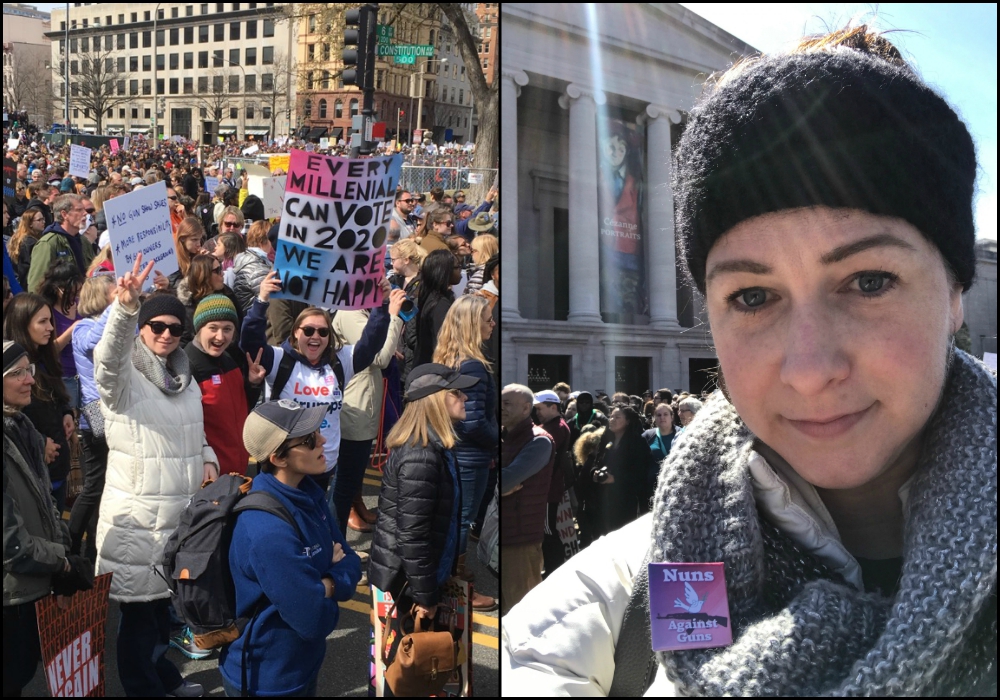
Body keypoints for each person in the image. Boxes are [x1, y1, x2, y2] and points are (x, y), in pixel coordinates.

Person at [502, 26, 997, 696]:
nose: (808, 368)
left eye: (870, 280)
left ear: (956, 290)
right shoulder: (597, 616)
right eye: (753, 295)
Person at [93, 255, 218, 697]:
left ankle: (163, 681)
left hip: (176, 522)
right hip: (139, 525)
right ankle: (146, 691)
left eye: (174, 328)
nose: (165, 334)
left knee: (160, 618)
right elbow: (106, 362)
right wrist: (126, 309)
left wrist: (207, 457)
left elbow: (197, 433)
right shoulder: (125, 379)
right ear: (143, 330)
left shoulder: (183, 377)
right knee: (139, 625)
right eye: (156, 326)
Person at [219, 400, 362, 697]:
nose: (322, 439)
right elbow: (313, 620)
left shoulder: (309, 493)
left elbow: (349, 560)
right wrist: (331, 581)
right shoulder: (266, 531)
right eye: (309, 440)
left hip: (301, 662)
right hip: (268, 678)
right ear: (278, 458)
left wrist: (324, 584)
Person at [241, 270, 404, 505]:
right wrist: (262, 300)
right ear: (296, 334)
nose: (315, 336)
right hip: (282, 468)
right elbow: (249, 342)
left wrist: (381, 303)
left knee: (313, 522)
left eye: (322, 331)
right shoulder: (279, 360)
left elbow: (372, 341)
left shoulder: (341, 362)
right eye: (308, 330)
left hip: (321, 464)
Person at [368, 363, 479, 685]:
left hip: (414, 577)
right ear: (434, 399)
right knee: (408, 667)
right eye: (456, 392)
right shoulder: (422, 456)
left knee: (406, 664)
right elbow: (413, 537)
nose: (465, 397)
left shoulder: (435, 448)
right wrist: (426, 595)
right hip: (407, 582)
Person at [3, 341, 90, 698]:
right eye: (16, 373)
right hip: (12, 593)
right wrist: (63, 565)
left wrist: (63, 555)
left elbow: (44, 503)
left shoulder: (22, 427)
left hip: (31, 586)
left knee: (20, 674)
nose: (28, 380)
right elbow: (11, 544)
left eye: (29, 370)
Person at [432, 296, 500, 611]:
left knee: (455, 519)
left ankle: (454, 573)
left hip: (456, 451)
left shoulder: (450, 357)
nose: (493, 324)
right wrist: (497, 442)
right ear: (474, 324)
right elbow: (473, 422)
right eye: (488, 319)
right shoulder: (471, 364)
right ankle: (456, 586)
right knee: (461, 521)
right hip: (470, 455)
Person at [330, 303, 404, 537]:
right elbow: (379, 357)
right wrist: (393, 317)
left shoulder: (361, 311)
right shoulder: (350, 313)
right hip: (355, 406)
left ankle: (355, 505)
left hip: (364, 403)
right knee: (344, 478)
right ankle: (338, 535)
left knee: (355, 468)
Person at [3, 293, 74, 513]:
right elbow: (12, 417)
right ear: (23, 323)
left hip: (56, 471)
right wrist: (39, 441)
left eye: (50, 321)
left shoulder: (45, 357)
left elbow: (57, 394)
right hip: (34, 473)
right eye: (42, 322)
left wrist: (66, 412)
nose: (51, 328)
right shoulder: (9, 362)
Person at [184, 295, 265, 477]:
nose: (220, 336)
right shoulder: (187, 365)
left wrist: (252, 384)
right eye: (213, 328)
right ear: (199, 328)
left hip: (238, 469)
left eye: (227, 329)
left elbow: (241, 409)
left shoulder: (229, 359)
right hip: (210, 473)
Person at [68, 274, 116, 564]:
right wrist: (117, 306)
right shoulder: (83, 327)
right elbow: (90, 344)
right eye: (115, 293)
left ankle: (94, 550)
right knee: (94, 486)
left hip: (117, 414)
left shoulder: (114, 325)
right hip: (96, 418)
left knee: (109, 486)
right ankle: (72, 547)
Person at [499, 384, 554, 617]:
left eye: (507, 403)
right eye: (500, 402)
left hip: (521, 540)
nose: (501, 408)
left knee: (522, 615)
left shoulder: (540, 441)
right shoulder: (505, 436)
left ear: (526, 409)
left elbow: (506, 480)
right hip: (503, 534)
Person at [532, 390, 574, 578]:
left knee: (549, 532)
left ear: (553, 407)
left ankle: (553, 571)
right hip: (548, 487)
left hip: (549, 489)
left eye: (540, 408)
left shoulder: (557, 427)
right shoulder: (551, 425)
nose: (537, 412)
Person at [38, 260, 85, 410]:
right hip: (64, 378)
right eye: (71, 292)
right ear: (58, 289)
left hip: (85, 376)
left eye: (78, 292)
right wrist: (72, 330)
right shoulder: (48, 312)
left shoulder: (81, 305)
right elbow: (50, 349)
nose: (74, 297)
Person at [26, 194, 94, 293]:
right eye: (79, 210)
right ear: (64, 214)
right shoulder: (48, 244)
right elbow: (36, 286)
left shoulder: (83, 241)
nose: (85, 214)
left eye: (84, 210)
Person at [177, 253, 243, 348]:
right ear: (203, 275)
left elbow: (240, 325)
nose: (222, 273)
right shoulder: (188, 307)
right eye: (217, 270)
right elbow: (185, 342)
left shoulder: (227, 293)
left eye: (221, 267)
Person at [415, 249, 458, 366]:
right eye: (457, 267)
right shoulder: (440, 304)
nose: (460, 271)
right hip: (436, 367)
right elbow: (443, 343)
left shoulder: (434, 297)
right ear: (445, 271)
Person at [231, 220, 273, 312]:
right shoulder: (256, 267)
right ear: (263, 240)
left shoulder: (251, 259)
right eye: (272, 239)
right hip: (256, 318)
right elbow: (271, 302)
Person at [642, 401, 676, 499]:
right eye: (658, 415)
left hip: (674, 484)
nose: (662, 417)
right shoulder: (647, 435)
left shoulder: (681, 434)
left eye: (666, 414)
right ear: (654, 418)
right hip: (653, 486)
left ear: (672, 417)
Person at [7, 205, 47, 290]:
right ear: (30, 224)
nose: (43, 222)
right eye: (39, 220)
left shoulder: (20, 238)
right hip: (29, 286)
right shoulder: (29, 242)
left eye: (43, 219)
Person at [168, 216, 210, 288]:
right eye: (194, 240)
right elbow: (173, 284)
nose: (198, 244)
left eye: (199, 239)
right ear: (183, 238)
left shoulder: (194, 254)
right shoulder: (173, 259)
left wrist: (204, 262)